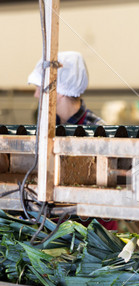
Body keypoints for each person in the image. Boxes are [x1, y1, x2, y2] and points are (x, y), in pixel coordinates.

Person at [28, 51, 117, 231]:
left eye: (39, 87)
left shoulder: (100, 132)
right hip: (52, 233)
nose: (36, 94)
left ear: (58, 91)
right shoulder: (45, 130)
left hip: (94, 235)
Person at [28, 51, 105, 125]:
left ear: (60, 91)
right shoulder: (48, 126)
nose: (36, 95)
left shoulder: (99, 134)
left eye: (40, 88)